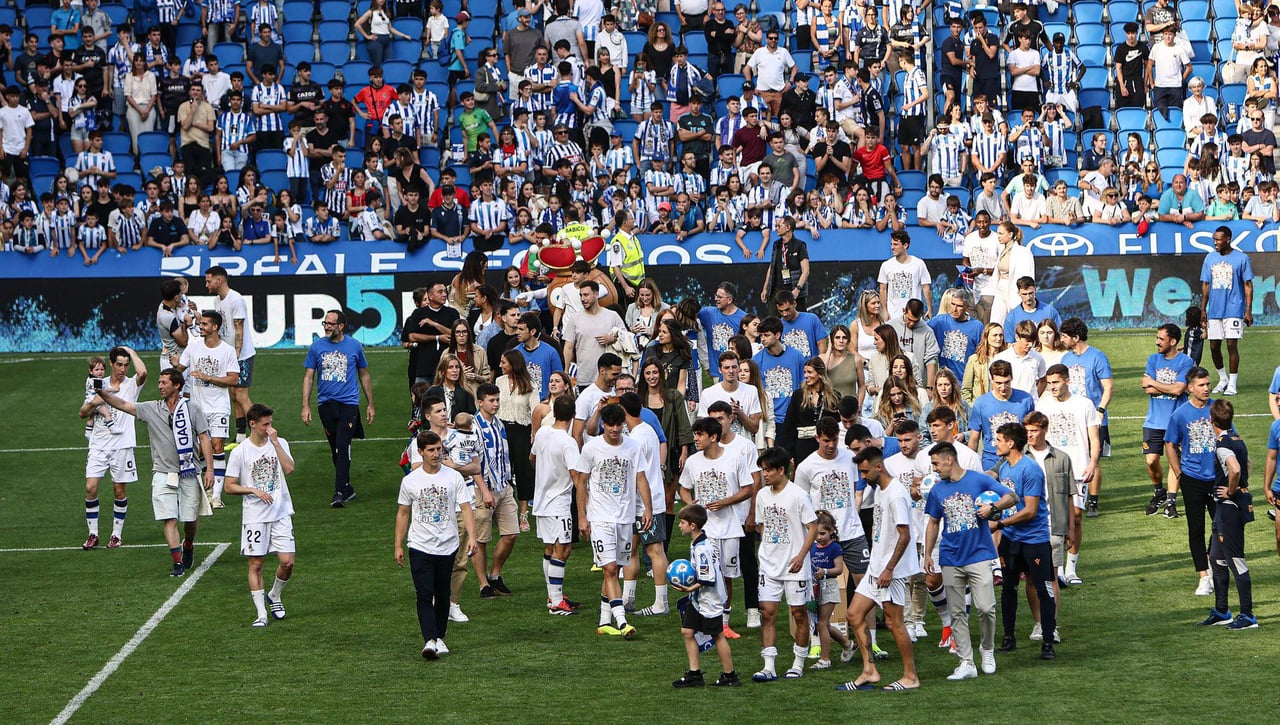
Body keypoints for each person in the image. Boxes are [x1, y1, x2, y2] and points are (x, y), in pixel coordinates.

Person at [97, 369, 214, 578]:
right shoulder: (152, 408)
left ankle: (188, 543)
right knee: (169, 518)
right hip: (162, 472)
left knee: (190, 519)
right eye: (159, 382)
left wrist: (210, 469)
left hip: (189, 471)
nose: (159, 386)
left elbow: (204, 438)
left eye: (163, 382)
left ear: (176, 385)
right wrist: (101, 392)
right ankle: (177, 562)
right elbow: (123, 405)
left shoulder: (192, 408)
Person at [838, 446, 920, 692]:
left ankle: (911, 676)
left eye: (865, 472)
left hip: (889, 572)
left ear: (878, 467)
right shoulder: (881, 491)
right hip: (876, 567)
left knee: (895, 624)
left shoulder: (895, 494)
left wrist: (889, 569)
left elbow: (904, 536)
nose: (862, 477)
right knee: (853, 614)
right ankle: (870, 670)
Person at [923, 442, 1004, 679]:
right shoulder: (938, 490)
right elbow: (933, 523)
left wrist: (993, 507)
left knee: (986, 607)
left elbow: (1011, 496)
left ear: (949, 459)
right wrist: (928, 554)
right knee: (957, 611)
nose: (935, 469)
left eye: (936, 463)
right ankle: (966, 662)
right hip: (950, 558)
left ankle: (987, 650)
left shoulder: (978, 480)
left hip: (979, 554)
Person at [573, 402, 654, 638]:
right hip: (600, 517)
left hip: (626, 517)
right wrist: (582, 516)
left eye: (619, 424)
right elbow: (581, 483)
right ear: (603, 425)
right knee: (609, 568)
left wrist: (647, 508)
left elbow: (641, 478)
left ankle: (603, 621)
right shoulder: (592, 449)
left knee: (615, 567)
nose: (615, 429)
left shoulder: (633, 447)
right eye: (611, 425)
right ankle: (621, 621)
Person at [394, 431, 478, 659]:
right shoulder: (410, 481)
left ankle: (439, 636)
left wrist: (472, 536)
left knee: (442, 593)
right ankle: (429, 640)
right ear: (420, 452)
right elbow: (403, 513)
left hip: (447, 544)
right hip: (420, 545)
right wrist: (398, 545)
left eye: (439, 449)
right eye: (431, 450)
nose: (436, 454)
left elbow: (466, 507)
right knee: (424, 593)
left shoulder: (453, 477)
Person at [982, 423, 1058, 660]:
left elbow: (1031, 511)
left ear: (1011, 443)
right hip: (1011, 540)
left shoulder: (1030, 469)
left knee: (1043, 591)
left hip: (1034, 541)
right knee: (1008, 589)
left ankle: (1047, 642)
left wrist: (999, 524)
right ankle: (1008, 637)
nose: (995, 443)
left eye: (999, 440)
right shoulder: (1005, 466)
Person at [680, 417, 754, 640]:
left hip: (730, 527)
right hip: (705, 531)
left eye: (700, 435)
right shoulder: (693, 462)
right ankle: (702, 615)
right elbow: (684, 488)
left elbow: (748, 489)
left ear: (713, 437)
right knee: (703, 572)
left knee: (726, 576)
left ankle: (724, 622)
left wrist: (726, 501)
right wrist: (691, 506)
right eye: (695, 434)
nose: (696, 439)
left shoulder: (734, 458)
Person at [749, 445, 818, 682]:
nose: (764, 474)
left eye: (768, 470)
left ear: (781, 469)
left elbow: (813, 527)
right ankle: (769, 666)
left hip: (794, 566)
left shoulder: (799, 495)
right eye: (762, 470)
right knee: (767, 613)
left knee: (798, 613)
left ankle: (797, 663)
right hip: (769, 565)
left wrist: (800, 556)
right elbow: (762, 525)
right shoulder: (762, 495)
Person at [223, 403, 295, 627]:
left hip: (281, 512)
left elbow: (290, 468)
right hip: (255, 516)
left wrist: (275, 442)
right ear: (252, 424)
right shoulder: (240, 452)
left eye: (270, 423)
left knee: (288, 562)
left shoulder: (279, 443)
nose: (269, 428)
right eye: (265, 425)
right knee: (256, 564)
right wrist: (252, 490)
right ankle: (261, 613)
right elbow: (229, 486)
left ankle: (274, 594)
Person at [301, 310, 375, 509]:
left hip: (348, 403)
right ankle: (347, 486)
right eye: (325, 323)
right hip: (326, 405)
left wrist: (370, 404)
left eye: (331, 323)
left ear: (341, 326)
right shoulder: (316, 347)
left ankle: (339, 492)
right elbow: (308, 377)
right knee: (335, 447)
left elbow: (364, 375)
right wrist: (305, 405)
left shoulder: (354, 346)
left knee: (342, 446)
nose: (326, 326)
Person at [1036, 364, 1100, 587]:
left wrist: (1093, 463)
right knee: (1055, 520)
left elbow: (1095, 438)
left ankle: (1072, 566)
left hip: (1079, 470)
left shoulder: (1084, 404)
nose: (1052, 387)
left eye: (1056, 382)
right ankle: (1058, 568)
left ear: (1067, 381)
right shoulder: (1042, 405)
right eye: (1050, 382)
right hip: (1052, 470)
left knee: (1075, 518)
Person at [78, 346, 146, 549]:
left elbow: (142, 372)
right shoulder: (99, 383)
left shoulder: (132, 385)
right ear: (111, 364)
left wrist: (131, 352)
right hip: (98, 445)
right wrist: (97, 400)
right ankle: (93, 534)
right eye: (119, 364)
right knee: (90, 488)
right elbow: (82, 412)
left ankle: (116, 535)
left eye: (126, 365)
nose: (123, 369)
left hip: (122, 446)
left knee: (119, 490)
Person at [1199, 400, 1258, 629]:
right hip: (1227, 508)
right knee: (1216, 557)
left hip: (1229, 508)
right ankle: (1222, 610)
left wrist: (1232, 490)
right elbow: (1248, 464)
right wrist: (1243, 486)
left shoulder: (1223, 444)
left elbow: (1235, 468)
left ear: (1211, 420)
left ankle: (1248, 615)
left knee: (1236, 561)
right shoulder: (1237, 438)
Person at [671, 503, 742, 688]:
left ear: (693, 525)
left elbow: (708, 578)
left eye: (682, 522)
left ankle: (730, 675)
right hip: (698, 599)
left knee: (717, 635)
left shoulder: (703, 548)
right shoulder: (698, 542)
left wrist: (688, 589)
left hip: (710, 600)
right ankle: (695, 675)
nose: (679, 525)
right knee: (687, 631)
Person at [174, 311, 239, 509]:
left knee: (218, 446)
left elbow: (234, 379)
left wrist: (208, 377)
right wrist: (176, 366)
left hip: (219, 407)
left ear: (215, 327)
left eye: (204, 324)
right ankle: (201, 486)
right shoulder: (193, 348)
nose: (200, 326)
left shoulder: (226, 351)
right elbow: (180, 370)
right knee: (201, 450)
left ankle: (215, 495)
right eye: (200, 324)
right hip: (197, 407)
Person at [1164, 366, 1217, 595]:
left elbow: (1231, 435)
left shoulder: (1217, 408)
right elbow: (1170, 444)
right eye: (1202, 385)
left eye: (1208, 384)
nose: (1207, 388)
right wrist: (1178, 473)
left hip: (1217, 478)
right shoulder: (1180, 415)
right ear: (1190, 388)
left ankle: (1214, 563)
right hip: (1192, 478)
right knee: (1196, 528)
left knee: (1220, 526)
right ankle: (1203, 576)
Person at [530, 395, 580, 616]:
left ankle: (553, 595)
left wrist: (544, 476)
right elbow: (576, 475)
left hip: (541, 501)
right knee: (563, 548)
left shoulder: (542, 432)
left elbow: (532, 458)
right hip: (558, 503)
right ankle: (556, 602)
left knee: (551, 548)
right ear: (573, 415)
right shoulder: (568, 442)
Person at [1059, 317, 1113, 520]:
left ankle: (1093, 500)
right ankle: (1072, 497)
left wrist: (1100, 410)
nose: (1062, 339)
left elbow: (1108, 387)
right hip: (1071, 417)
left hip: (1094, 418)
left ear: (1076, 337)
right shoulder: (1066, 359)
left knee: (1094, 460)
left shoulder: (1098, 357)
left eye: (1065, 336)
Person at [1141, 324, 1194, 516]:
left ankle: (1171, 502)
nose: (1157, 342)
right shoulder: (1153, 359)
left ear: (1173, 341)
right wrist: (1170, 386)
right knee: (1151, 460)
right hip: (1153, 421)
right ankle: (1159, 491)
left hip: (1176, 421)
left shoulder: (1185, 362)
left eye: (1161, 339)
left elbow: (1179, 389)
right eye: (1157, 338)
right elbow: (1146, 388)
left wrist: (1155, 383)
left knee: (1175, 462)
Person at [474, 382, 521, 597]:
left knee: (511, 534)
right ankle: (483, 584)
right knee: (481, 539)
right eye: (491, 400)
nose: (495, 404)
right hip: (484, 488)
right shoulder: (473, 428)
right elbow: (474, 463)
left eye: (497, 400)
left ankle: (495, 575)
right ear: (480, 402)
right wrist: (483, 490)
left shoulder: (499, 424)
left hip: (503, 486)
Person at [1200, 226, 1253, 397]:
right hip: (1215, 309)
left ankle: (1232, 383)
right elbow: (1206, 285)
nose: (1215, 242)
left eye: (1218, 239)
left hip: (1234, 308)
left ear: (1228, 239)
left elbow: (1247, 285)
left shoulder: (1241, 258)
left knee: (1231, 344)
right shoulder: (1209, 258)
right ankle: (1222, 379)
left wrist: (1248, 310)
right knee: (1214, 346)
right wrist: (1203, 309)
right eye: (1214, 239)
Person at [204, 265, 255, 441]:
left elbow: (238, 329)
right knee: (234, 395)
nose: (206, 285)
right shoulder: (218, 301)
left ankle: (263, 430)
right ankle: (241, 436)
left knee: (241, 395)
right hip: (230, 356)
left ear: (220, 280)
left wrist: (236, 354)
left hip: (241, 355)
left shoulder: (235, 300)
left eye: (209, 281)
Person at [968, 360, 1036, 472]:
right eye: (998, 383)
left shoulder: (1025, 400)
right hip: (991, 460)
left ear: (1012, 378)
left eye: (1007, 382)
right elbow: (974, 438)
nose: (1003, 387)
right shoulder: (981, 403)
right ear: (992, 380)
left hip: (1018, 460)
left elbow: (1031, 432)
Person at [877, 231, 933, 320]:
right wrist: (884, 310)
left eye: (895, 244)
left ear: (905, 245)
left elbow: (926, 287)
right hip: (893, 316)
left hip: (914, 315)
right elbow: (883, 289)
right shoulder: (886, 265)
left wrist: (930, 309)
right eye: (891, 244)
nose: (892, 247)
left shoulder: (919, 264)